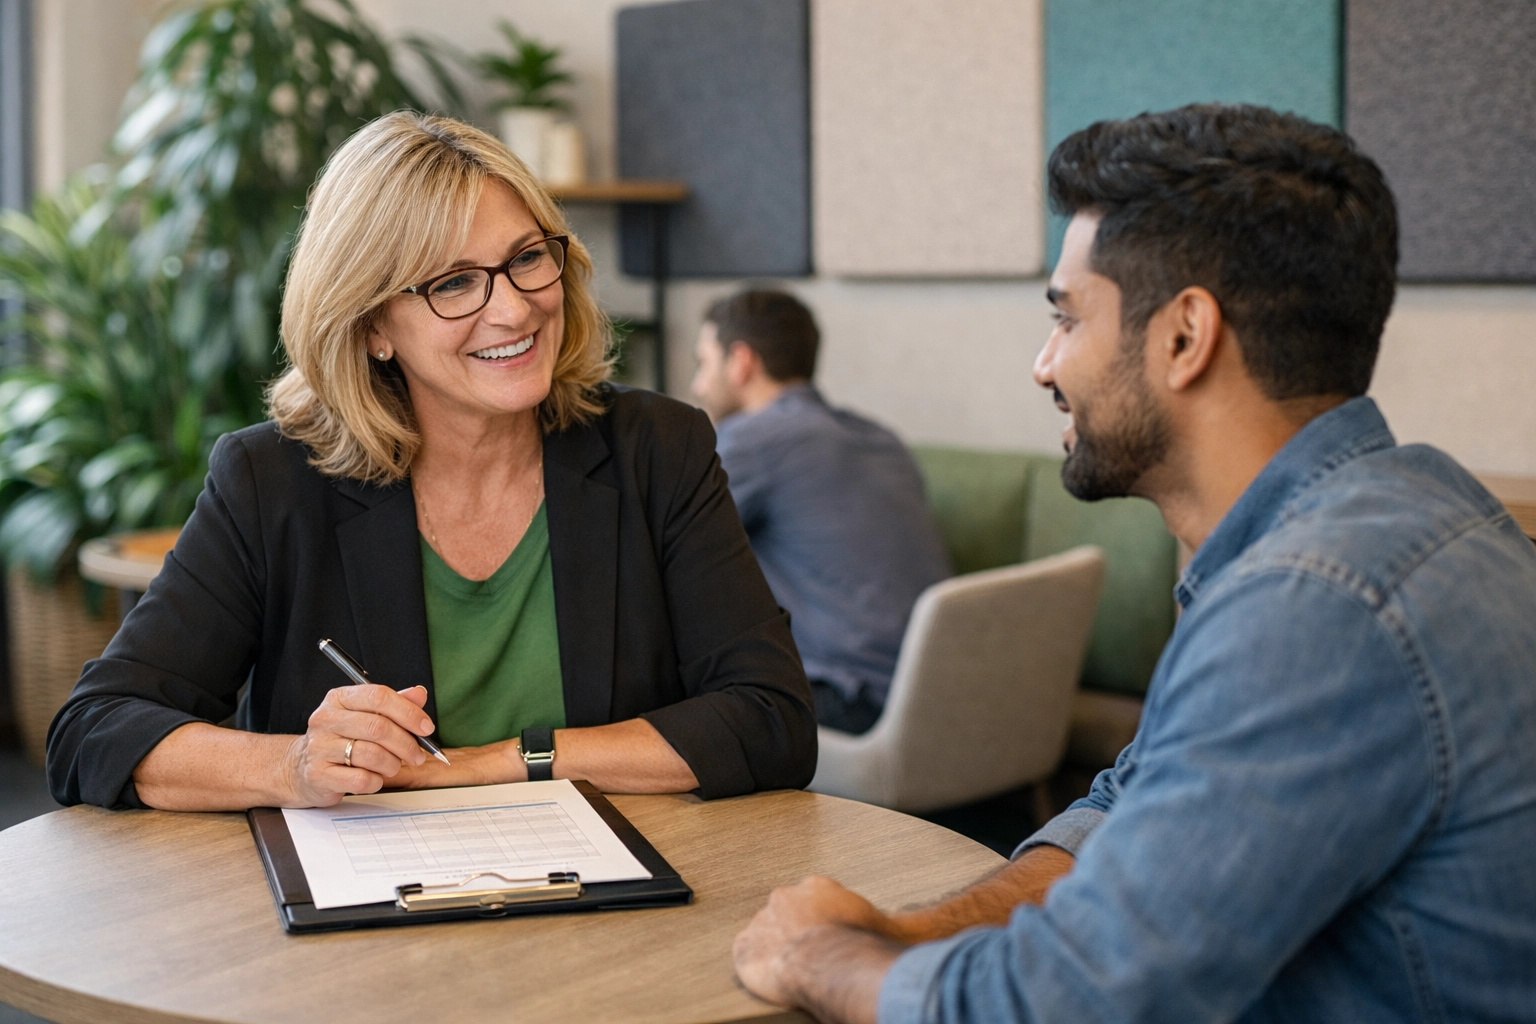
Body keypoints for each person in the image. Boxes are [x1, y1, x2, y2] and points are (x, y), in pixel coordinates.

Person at [732, 104, 1536, 1022]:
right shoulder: (1410, 509)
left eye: (1067, 319)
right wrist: (910, 933)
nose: (1044, 365)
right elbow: (1135, 798)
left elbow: (1063, 1006)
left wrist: (820, 957)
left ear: (1184, 337)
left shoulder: (1314, 606)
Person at [46, 112, 816, 811]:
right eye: (454, 283)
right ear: (372, 326)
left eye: (526, 259)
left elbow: (771, 718)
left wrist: (496, 763)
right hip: (363, 909)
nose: (513, 308)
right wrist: (295, 767)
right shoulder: (271, 481)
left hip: (619, 894)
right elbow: (94, 731)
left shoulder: (657, 449)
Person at [689, 289, 951, 734]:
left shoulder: (754, 441)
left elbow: (658, 544)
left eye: (704, 363)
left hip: (852, 700)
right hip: (940, 692)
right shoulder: (883, 438)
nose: (698, 385)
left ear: (742, 362)